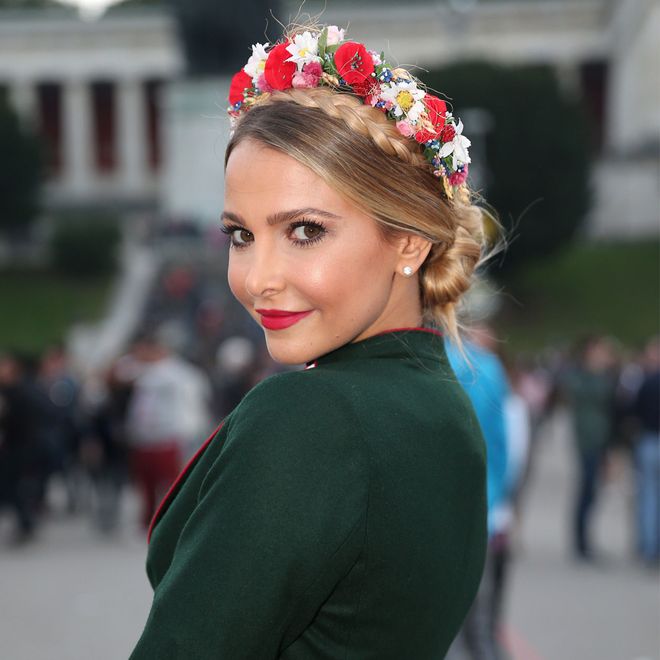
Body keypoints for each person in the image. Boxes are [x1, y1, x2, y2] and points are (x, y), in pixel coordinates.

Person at [130, 23, 495, 659]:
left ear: (409, 240)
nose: (258, 279)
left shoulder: (310, 416)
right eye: (240, 235)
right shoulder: (443, 402)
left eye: (304, 230)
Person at [561, 334, 617, 561]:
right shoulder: (581, 376)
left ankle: (586, 539)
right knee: (586, 490)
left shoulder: (605, 376)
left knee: (593, 491)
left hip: (600, 438)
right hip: (587, 439)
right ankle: (581, 541)